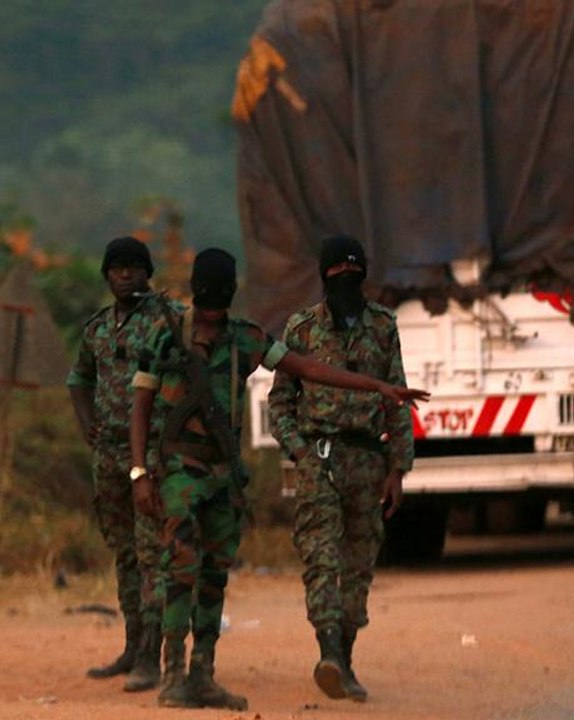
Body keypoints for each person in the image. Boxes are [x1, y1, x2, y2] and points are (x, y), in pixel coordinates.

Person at [129, 248, 428, 710]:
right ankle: (173, 676)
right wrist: (139, 472)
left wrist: (377, 387)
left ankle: (202, 674)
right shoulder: (164, 336)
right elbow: (141, 406)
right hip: (179, 474)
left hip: (224, 477)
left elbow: (307, 368)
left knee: (213, 576)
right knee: (180, 570)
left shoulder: (246, 338)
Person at [267, 235, 413, 702]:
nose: (346, 279)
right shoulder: (303, 329)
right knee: (320, 559)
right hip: (320, 461)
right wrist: (300, 452)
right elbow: (281, 404)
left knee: (358, 565)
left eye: (354, 271)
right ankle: (328, 651)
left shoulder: (384, 327)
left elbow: (397, 401)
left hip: (367, 463)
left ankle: (345, 660)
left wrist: (398, 469)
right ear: (324, 276)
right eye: (337, 272)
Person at [67, 237, 174, 692]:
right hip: (107, 452)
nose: (125, 275)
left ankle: (153, 655)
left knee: (152, 553)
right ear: (106, 276)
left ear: (148, 272)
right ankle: (133, 646)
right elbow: (78, 378)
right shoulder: (96, 329)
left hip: (150, 452)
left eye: (134, 267)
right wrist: (86, 421)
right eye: (117, 269)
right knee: (125, 552)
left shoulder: (169, 321)